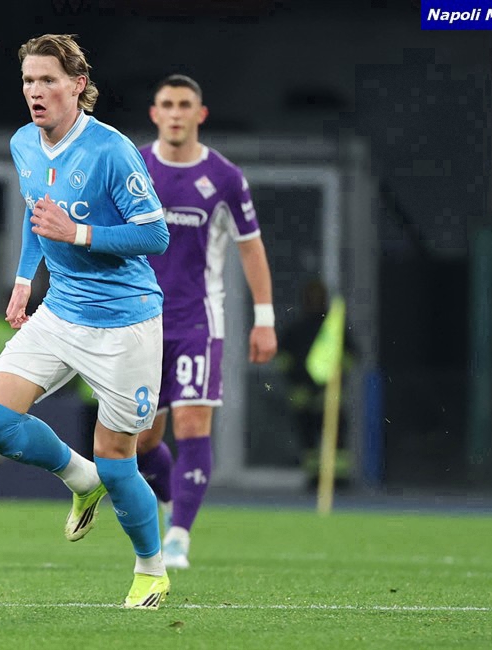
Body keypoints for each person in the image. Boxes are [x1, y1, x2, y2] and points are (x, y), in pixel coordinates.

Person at [0, 34, 171, 609]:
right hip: (60, 312)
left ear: (78, 86)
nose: (35, 91)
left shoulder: (111, 151)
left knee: (119, 462)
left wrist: (78, 233)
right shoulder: (22, 144)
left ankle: (151, 569)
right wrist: (24, 279)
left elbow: (155, 235)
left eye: (48, 80)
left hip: (124, 323)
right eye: (28, 81)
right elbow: (39, 216)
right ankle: (80, 478)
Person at [135, 75, 278, 569]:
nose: (176, 113)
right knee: (143, 441)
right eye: (167, 104)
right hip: (140, 323)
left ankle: (178, 537)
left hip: (198, 320)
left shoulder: (224, 177)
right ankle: (171, 501)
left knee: (193, 422)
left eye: (184, 105)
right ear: (155, 113)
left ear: (200, 114)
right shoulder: (134, 167)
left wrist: (264, 318)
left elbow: (251, 247)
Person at [276, 280, 355, 488]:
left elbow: (350, 357)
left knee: (335, 437)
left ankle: (339, 478)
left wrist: (333, 383)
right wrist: (298, 386)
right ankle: (314, 477)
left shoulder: (333, 329)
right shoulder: (296, 329)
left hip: (330, 395)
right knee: (308, 439)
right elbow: (284, 361)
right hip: (303, 395)